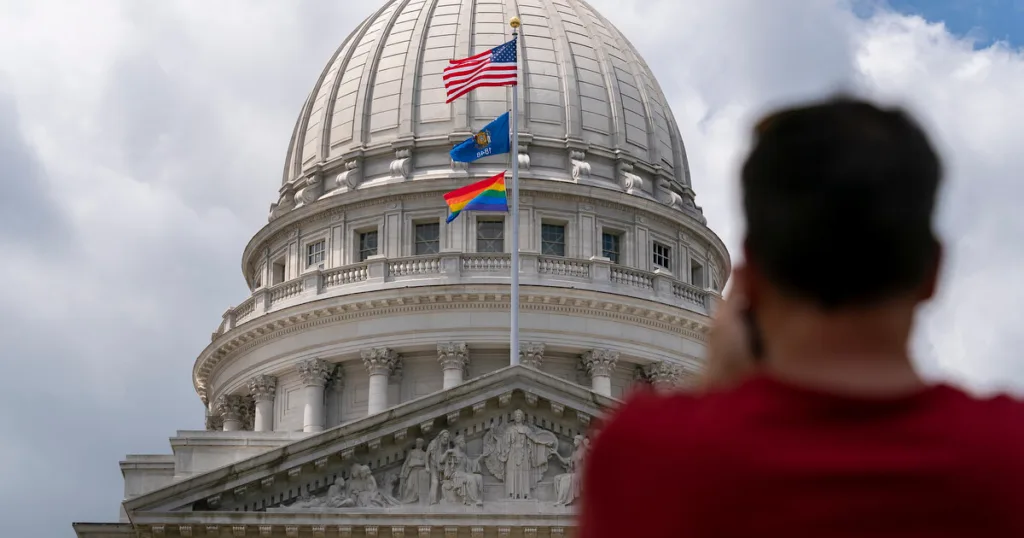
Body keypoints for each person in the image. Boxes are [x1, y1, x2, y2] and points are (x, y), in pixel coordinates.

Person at [578, 97, 1024, 538]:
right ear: (933, 271)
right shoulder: (1008, 457)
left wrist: (713, 397)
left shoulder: (643, 456)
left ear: (748, 278)